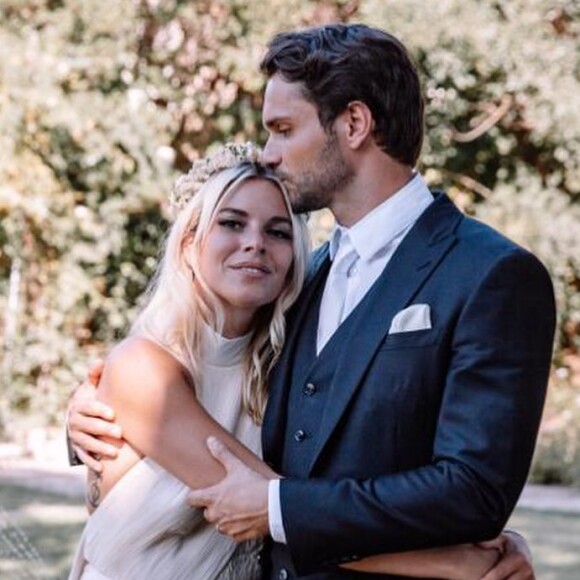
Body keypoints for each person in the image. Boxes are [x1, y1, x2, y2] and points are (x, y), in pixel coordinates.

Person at [68, 24, 554, 579]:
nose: (269, 154)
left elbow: (472, 489)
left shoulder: (491, 274)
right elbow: (199, 385)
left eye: (282, 129)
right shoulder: (304, 279)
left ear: (353, 124)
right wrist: (89, 411)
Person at [68, 145, 311, 579]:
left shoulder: (287, 368)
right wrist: (449, 562)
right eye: (232, 223)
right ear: (188, 243)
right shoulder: (143, 367)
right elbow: (279, 507)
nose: (255, 243)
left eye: (278, 232)